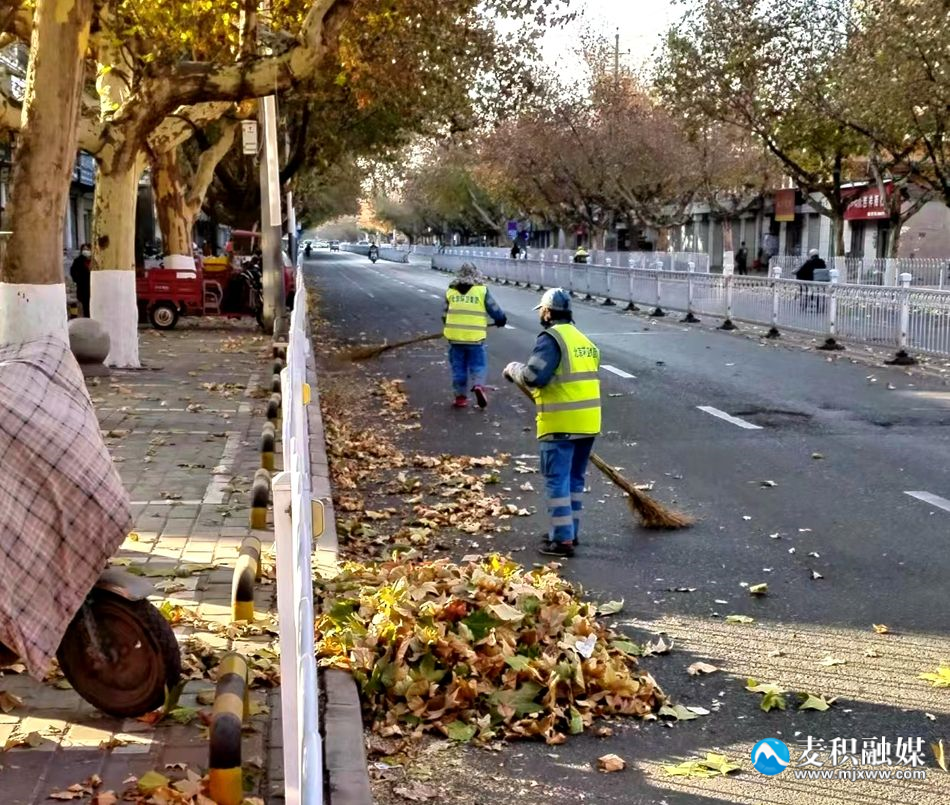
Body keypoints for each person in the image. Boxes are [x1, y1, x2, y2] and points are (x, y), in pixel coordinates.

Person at [504, 288, 601, 558]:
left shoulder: (551, 339)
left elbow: (534, 376)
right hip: (588, 422)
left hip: (560, 423)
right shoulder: (583, 340)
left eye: (542, 311)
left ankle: (561, 540)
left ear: (547, 312)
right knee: (574, 481)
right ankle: (570, 531)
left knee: (557, 481)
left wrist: (513, 369)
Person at [443, 262, 506, 408]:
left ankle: (460, 398)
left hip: (455, 338)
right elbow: (494, 309)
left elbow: (444, 314)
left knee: (458, 368)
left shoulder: (451, 291)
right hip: (475, 338)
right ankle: (478, 385)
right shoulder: (481, 290)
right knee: (478, 365)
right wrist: (501, 319)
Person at [69, 243, 92, 317]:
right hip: (83, 289)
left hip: (93, 288)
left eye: (87, 249)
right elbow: (73, 272)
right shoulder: (78, 261)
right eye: (84, 249)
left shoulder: (94, 260)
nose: (86, 251)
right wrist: (78, 280)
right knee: (86, 308)